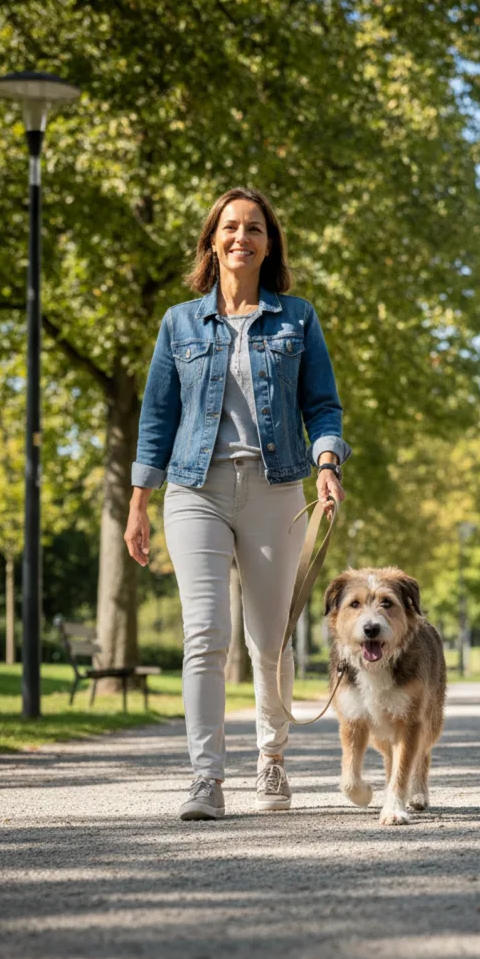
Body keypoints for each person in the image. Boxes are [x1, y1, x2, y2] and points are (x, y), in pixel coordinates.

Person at [124, 187, 349, 821]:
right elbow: (156, 419)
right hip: (195, 488)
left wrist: (327, 464)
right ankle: (205, 778)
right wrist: (139, 502)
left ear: (268, 243)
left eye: (253, 227)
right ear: (212, 241)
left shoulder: (297, 319)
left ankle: (271, 761)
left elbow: (323, 407)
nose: (240, 236)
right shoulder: (179, 323)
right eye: (229, 227)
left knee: (269, 638)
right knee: (205, 633)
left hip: (277, 487)